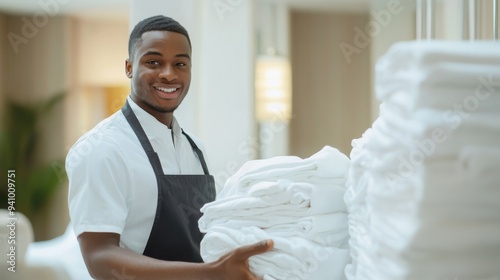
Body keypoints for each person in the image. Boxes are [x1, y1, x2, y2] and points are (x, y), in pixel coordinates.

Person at [66, 15, 273, 280]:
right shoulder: (101, 150)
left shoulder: (194, 148)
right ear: (129, 67)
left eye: (180, 64)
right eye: (153, 62)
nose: (168, 73)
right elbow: (100, 258)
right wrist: (208, 274)